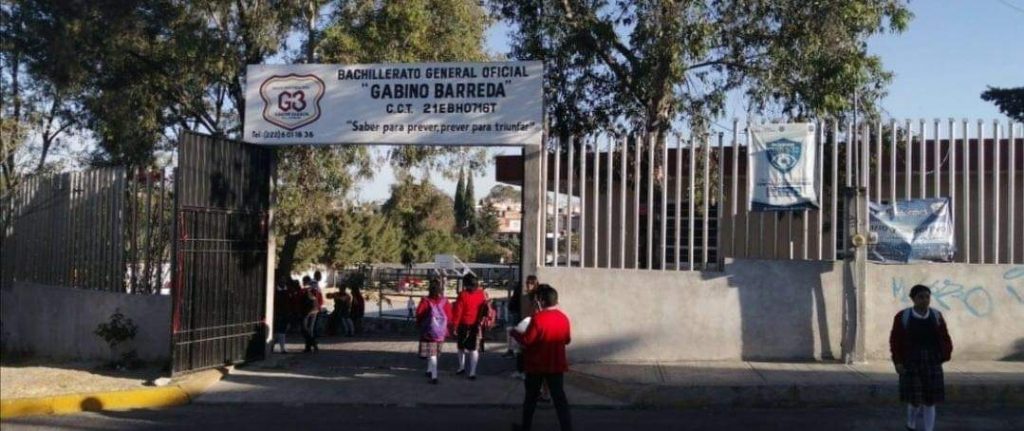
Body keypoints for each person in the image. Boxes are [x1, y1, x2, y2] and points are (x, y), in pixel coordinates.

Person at [890, 284, 953, 431]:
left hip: (932, 361)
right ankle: (911, 424)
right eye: (920, 297)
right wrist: (898, 361)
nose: (924, 300)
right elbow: (895, 340)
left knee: (930, 400)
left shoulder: (936, 316)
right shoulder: (903, 317)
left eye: (927, 297)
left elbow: (945, 337)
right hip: (911, 361)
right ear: (913, 299)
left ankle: (928, 429)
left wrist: (944, 354)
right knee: (915, 399)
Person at [511, 284, 572, 431]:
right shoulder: (563, 318)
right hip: (556, 364)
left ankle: (526, 427)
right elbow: (567, 340)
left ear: (541, 301)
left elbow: (527, 340)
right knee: (559, 399)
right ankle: (567, 427)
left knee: (530, 399)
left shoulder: (538, 319)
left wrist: (514, 333)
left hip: (536, 365)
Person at [416, 278, 453, 384]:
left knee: (431, 354)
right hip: (441, 332)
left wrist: (419, 324)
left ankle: (434, 376)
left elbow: (419, 314)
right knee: (434, 353)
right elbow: (450, 316)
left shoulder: (425, 301)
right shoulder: (445, 301)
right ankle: (429, 370)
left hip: (428, 331)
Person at [451, 273, 487, 380]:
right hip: (476, 325)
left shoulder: (463, 295)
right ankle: (472, 372)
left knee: (461, 347)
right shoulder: (481, 294)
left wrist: (454, 326)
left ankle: (461, 367)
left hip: (463, 324)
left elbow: (458, 312)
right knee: (474, 349)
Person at [271, 278, 290, 353]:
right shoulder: (276, 292)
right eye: (281, 282)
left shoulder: (287, 291)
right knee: (280, 331)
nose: (283, 283)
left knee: (281, 331)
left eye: (284, 282)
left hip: (284, 313)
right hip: (278, 313)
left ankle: (276, 346)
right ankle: (282, 348)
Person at [301, 286, 320, 353]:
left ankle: (312, 344)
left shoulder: (307, 292)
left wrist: (307, 314)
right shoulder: (314, 292)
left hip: (309, 312)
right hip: (313, 312)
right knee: (309, 330)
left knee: (305, 329)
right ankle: (309, 346)